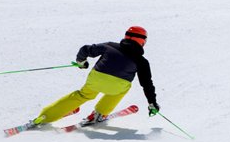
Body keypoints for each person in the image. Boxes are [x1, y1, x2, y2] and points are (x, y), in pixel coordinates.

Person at [29, 26, 159, 127]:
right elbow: (146, 84)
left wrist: (81, 62)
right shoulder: (142, 61)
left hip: (96, 79)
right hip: (117, 86)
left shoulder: (110, 46)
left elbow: (85, 49)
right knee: (123, 88)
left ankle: (45, 116)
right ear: (142, 41)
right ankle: (99, 114)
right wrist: (152, 103)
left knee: (82, 95)